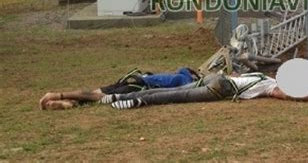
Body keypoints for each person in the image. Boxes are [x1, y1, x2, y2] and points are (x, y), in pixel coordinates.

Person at [106, 72, 308, 110]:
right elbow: (287, 95)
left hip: (218, 78)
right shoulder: (272, 85)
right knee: (176, 95)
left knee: (175, 88)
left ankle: (120, 96)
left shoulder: (267, 77)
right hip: (221, 87)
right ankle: (133, 101)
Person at [39, 67, 200, 110]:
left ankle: (67, 101)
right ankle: (59, 96)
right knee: (100, 98)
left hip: (133, 79)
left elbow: (183, 68)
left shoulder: (179, 75)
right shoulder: (184, 80)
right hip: (138, 86)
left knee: (96, 94)